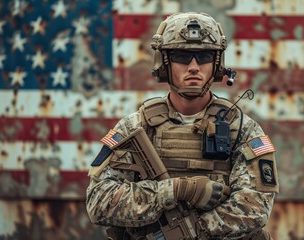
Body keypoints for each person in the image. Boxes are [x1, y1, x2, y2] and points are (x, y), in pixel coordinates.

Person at [86, 12, 279, 240]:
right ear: (165, 63)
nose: (194, 67)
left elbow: (255, 207)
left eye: (205, 56)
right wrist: (175, 190)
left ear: (217, 65)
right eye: (182, 56)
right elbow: (99, 201)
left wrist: (192, 233)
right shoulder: (136, 128)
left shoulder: (241, 129)